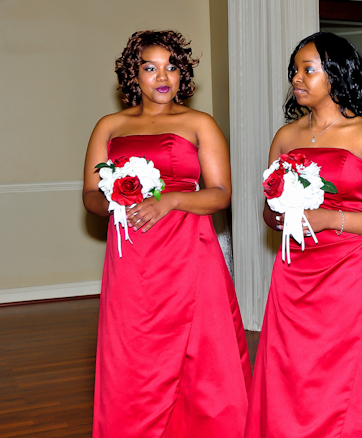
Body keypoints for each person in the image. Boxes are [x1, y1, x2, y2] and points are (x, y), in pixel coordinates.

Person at [244, 32, 362, 438]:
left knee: (350, 373)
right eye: (294, 70)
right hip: (294, 273)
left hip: (349, 274)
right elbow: (267, 213)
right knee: (294, 371)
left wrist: (329, 219)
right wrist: (281, 215)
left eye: (308, 70)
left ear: (337, 75)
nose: (297, 78)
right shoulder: (285, 137)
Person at [83, 30, 251, 437]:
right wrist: (116, 202)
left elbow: (221, 194)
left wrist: (171, 200)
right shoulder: (109, 126)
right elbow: (89, 196)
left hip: (190, 251)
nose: (162, 77)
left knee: (203, 353)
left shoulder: (199, 123)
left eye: (171, 67)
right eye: (150, 67)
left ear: (182, 74)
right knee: (135, 351)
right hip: (132, 255)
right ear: (133, 75)